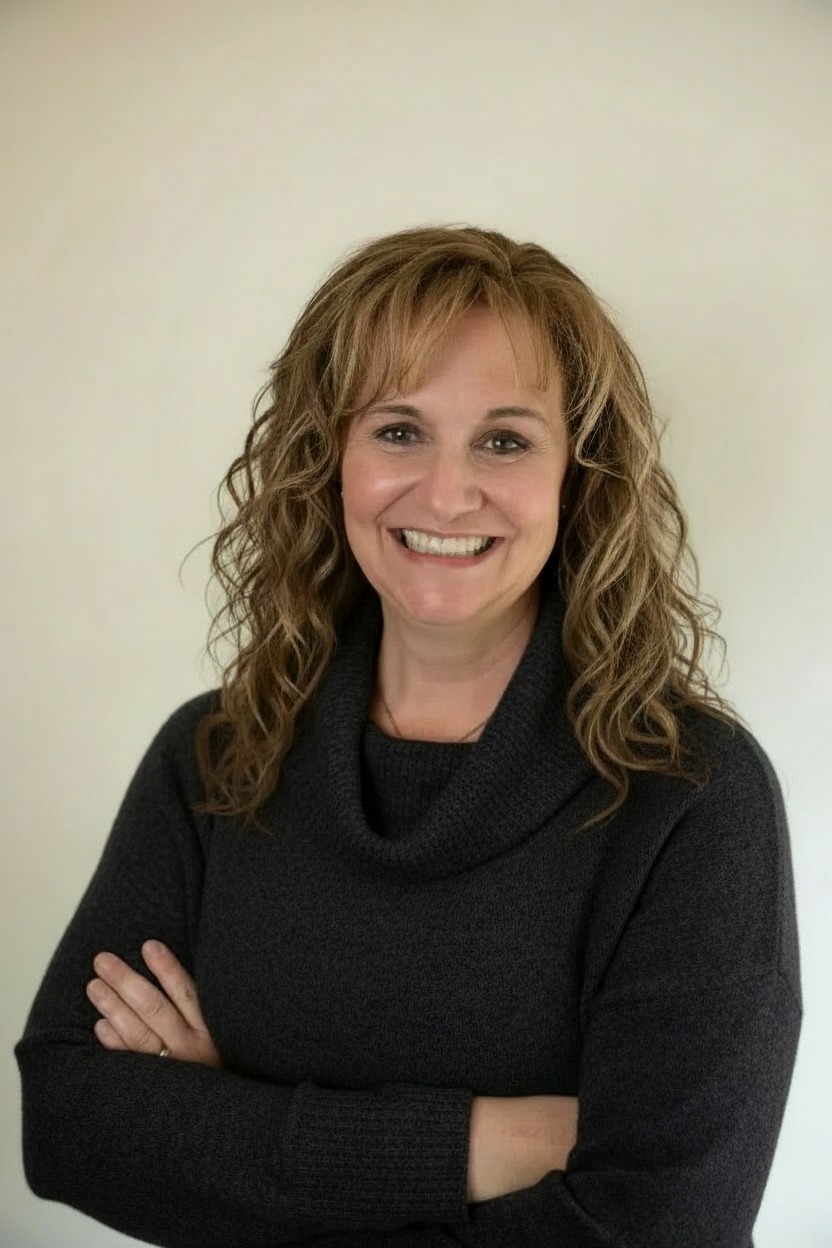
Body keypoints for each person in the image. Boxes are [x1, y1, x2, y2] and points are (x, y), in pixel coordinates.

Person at [15, 224, 802, 1248]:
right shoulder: (214, 756)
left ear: (578, 475)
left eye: (505, 440)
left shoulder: (689, 795)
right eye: (397, 430)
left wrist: (226, 1131)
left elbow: (661, 1227)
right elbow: (68, 1124)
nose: (445, 493)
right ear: (328, 458)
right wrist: (479, 1145)